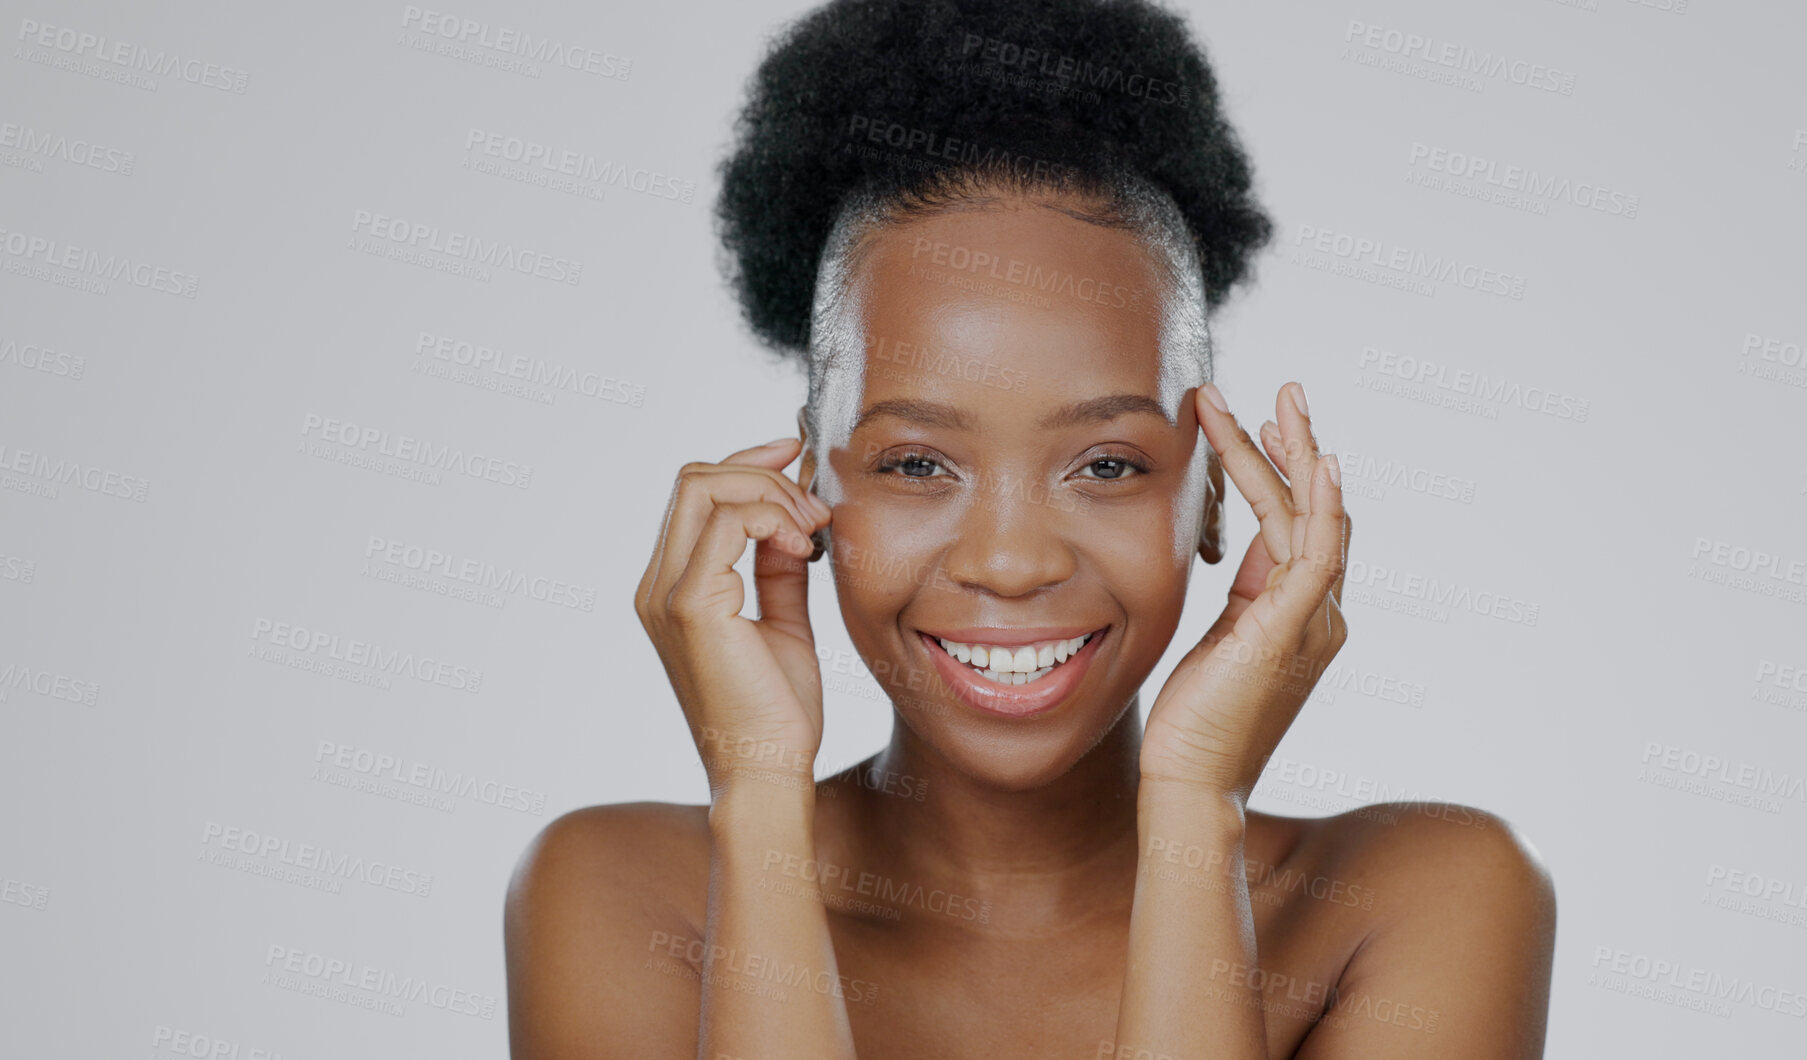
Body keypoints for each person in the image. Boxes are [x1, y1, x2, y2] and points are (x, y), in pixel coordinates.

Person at [504, 1, 1555, 1056]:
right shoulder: (629, 892)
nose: (1010, 562)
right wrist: (760, 801)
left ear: (1213, 493)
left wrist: (1197, 807)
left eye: (1105, 464)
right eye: (917, 463)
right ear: (807, 491)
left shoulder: (1416, 899)